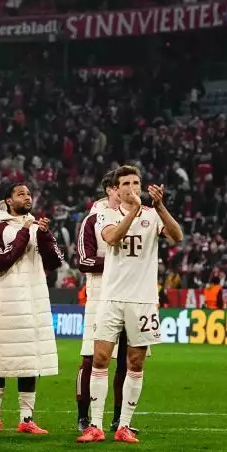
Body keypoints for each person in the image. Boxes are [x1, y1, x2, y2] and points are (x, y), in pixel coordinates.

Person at [78, 165, 184, 444]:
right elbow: (112, 238)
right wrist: (135, 211)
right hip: (111, 297)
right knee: (100, 359)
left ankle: (125, 425)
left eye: (136, 182)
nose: (132, 187)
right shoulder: (104, 214)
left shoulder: (152, 215)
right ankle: (95, 425)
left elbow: (177, 236)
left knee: (135, 363)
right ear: (116, 188)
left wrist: (160, 207)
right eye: (126, 183)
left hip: (144, 299)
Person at [0, 183, 62, 435]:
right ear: (8, 200)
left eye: (28, 193)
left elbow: (55, 262)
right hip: (6, 302)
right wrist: (25, 233)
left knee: (29, 360)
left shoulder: (35, 227)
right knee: (0, 361)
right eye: (21, 194)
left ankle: (26, 419)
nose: (27, 197)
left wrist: (45, 235)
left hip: (33, 301)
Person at [75, 172, 134, 433]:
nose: (129, 190)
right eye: (123, 186)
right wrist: (116, 263)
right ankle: (82, 416)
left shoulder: (137, 216)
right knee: (92, 359)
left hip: (131, 294)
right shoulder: (92, 220)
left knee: (126, 361)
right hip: (99, 295)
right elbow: (84, 261)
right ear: (111, 190)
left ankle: (119, 418)